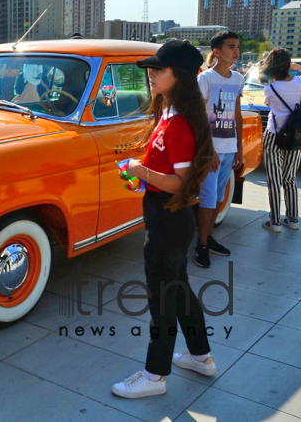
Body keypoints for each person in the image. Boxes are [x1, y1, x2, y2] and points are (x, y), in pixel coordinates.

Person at [111, 40, 216, 399]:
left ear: (181, 77)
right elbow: (167, 168)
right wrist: (139, 171)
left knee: (162, 301)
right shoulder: (170, 115)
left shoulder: (181, 123)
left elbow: (181, 183)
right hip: (164, 216)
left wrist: (142, 170)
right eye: (151, 69)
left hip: (169, 219)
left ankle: (155, 376)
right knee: (179, 290)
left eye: (160, 70)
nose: (152, 75)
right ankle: (201, 357)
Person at [259, 48, 301, 232]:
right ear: (289, 64)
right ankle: (293, 218)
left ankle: (275, 222)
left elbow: (269, 104)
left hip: (274, 135)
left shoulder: (270, 88)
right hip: (296, 136)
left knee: (274, 179)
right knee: (290, 178)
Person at [195, 31, 244, 268]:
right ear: (216, 52)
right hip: (210, 150)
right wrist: (209, 150)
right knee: (207, 197)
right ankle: (201, 245)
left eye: (237, 47)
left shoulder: (237, 79)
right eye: (231, 47)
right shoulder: (206, 79)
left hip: (229, 147)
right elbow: (198, 117)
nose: (236, 51)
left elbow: (236, 115)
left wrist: (239, 149)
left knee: (218, 197)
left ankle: (209, 237)